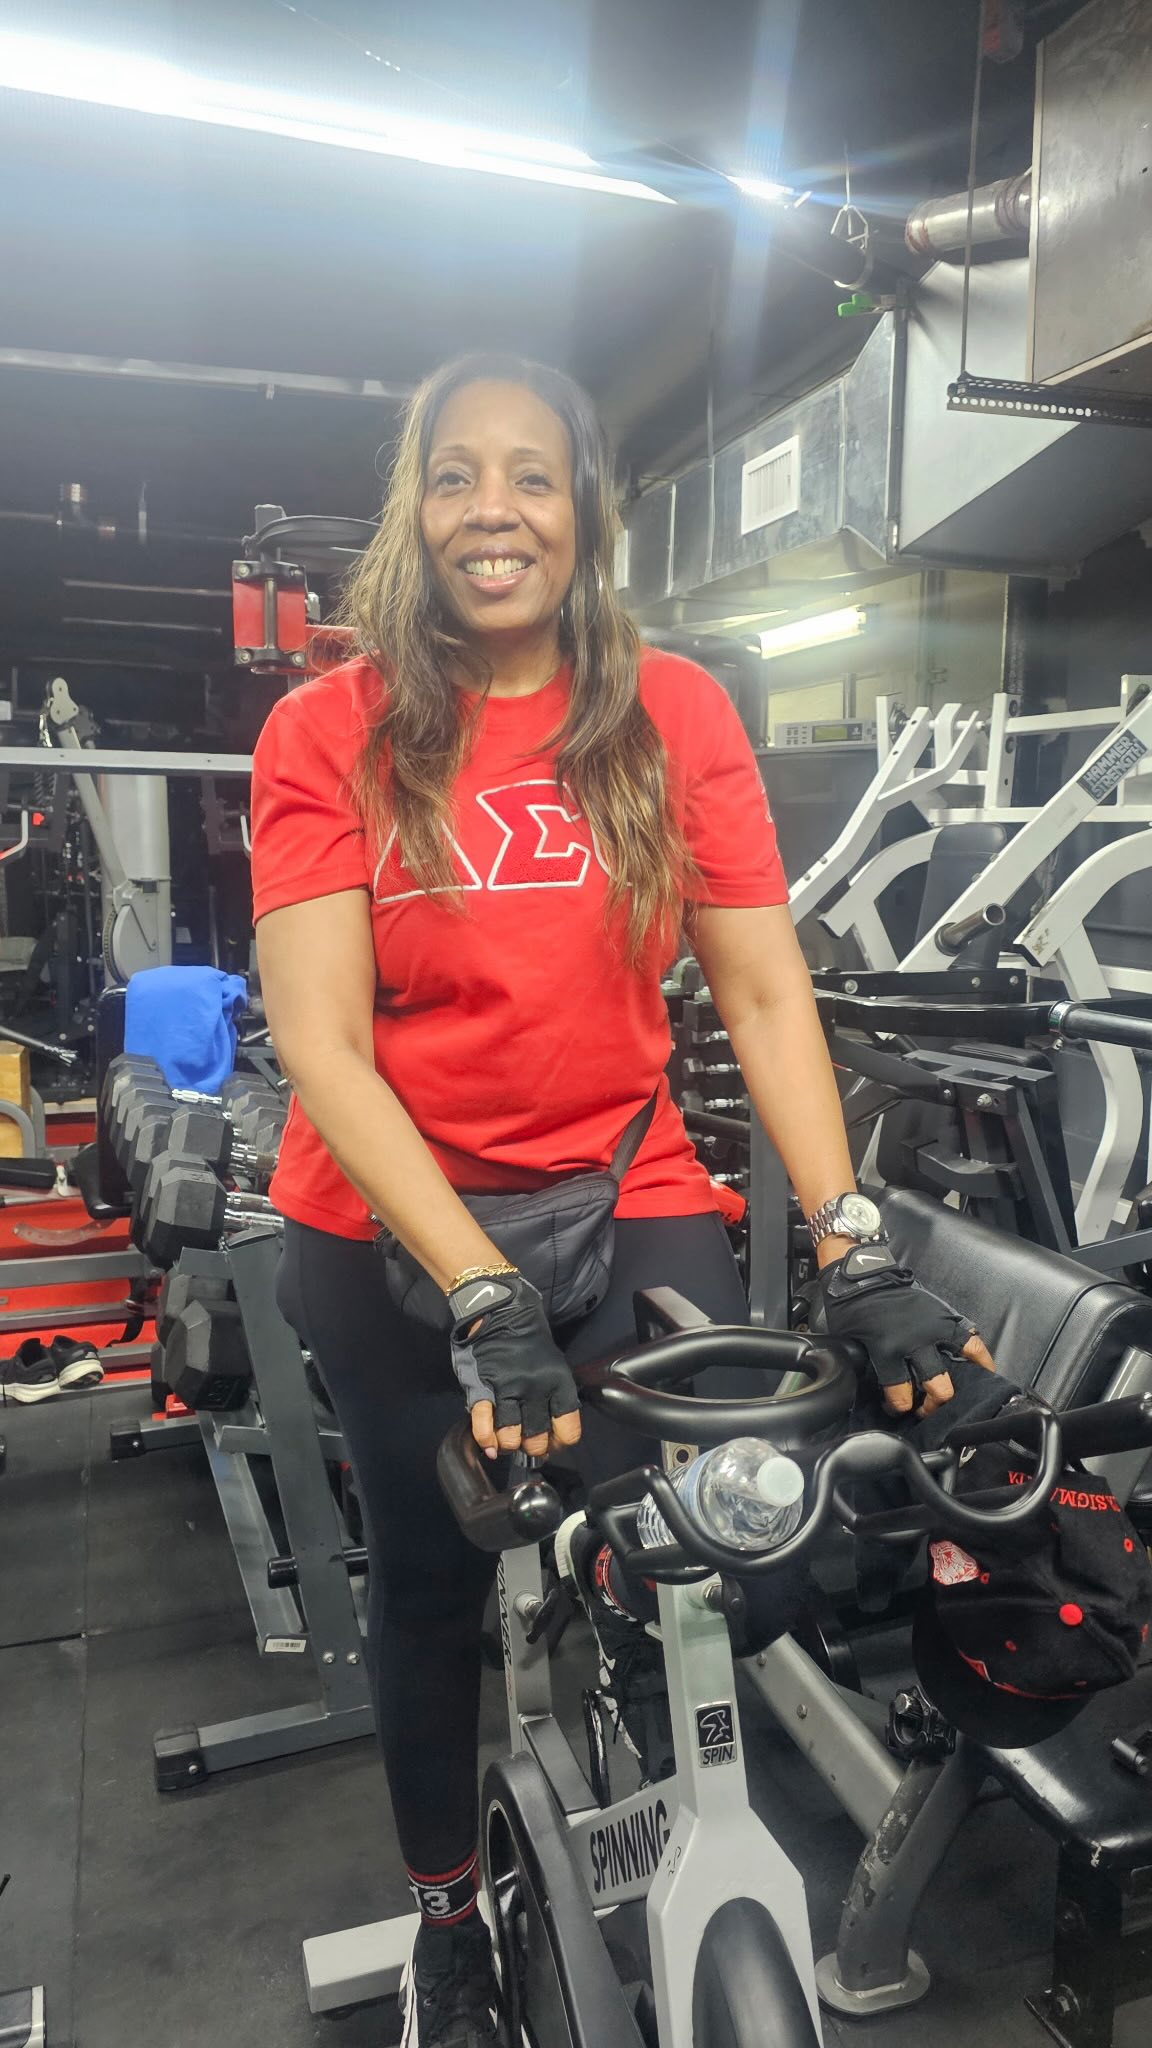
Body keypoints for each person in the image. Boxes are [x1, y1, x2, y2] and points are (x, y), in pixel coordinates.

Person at [251, 353, 988, 2048]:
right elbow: (323, 1045)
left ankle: (661, 1795)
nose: (492, 510)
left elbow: (766, 994)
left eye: (532, 476)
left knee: (727, 1543)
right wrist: (480, 1290)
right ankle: (448, 1916)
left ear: (586, 511)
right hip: (391, 1223)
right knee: (429, 1588)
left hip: (620, 1183)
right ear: (415, 507)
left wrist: (854, 1240)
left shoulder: (672, 712)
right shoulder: (330, 728)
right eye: (455, 475)